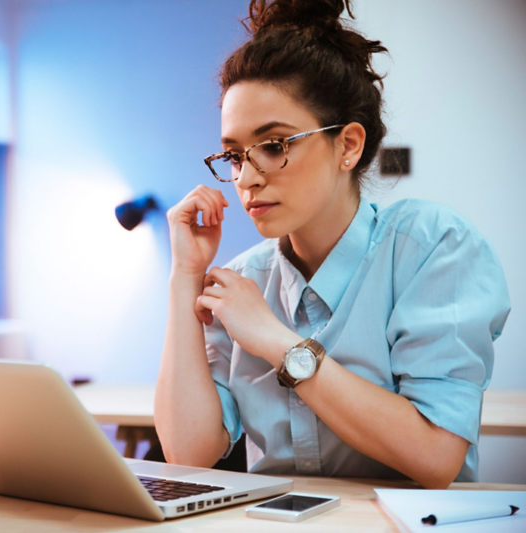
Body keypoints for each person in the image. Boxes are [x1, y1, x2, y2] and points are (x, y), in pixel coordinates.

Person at [154, 0, 510, 489]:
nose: (246, 179)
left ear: (348, 145)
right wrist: (184, 276)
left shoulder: (432, 247)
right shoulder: (243, 281)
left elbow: (435, 455)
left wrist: (277, 342)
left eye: (275, 145)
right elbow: (187, 452)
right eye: (234, 155)